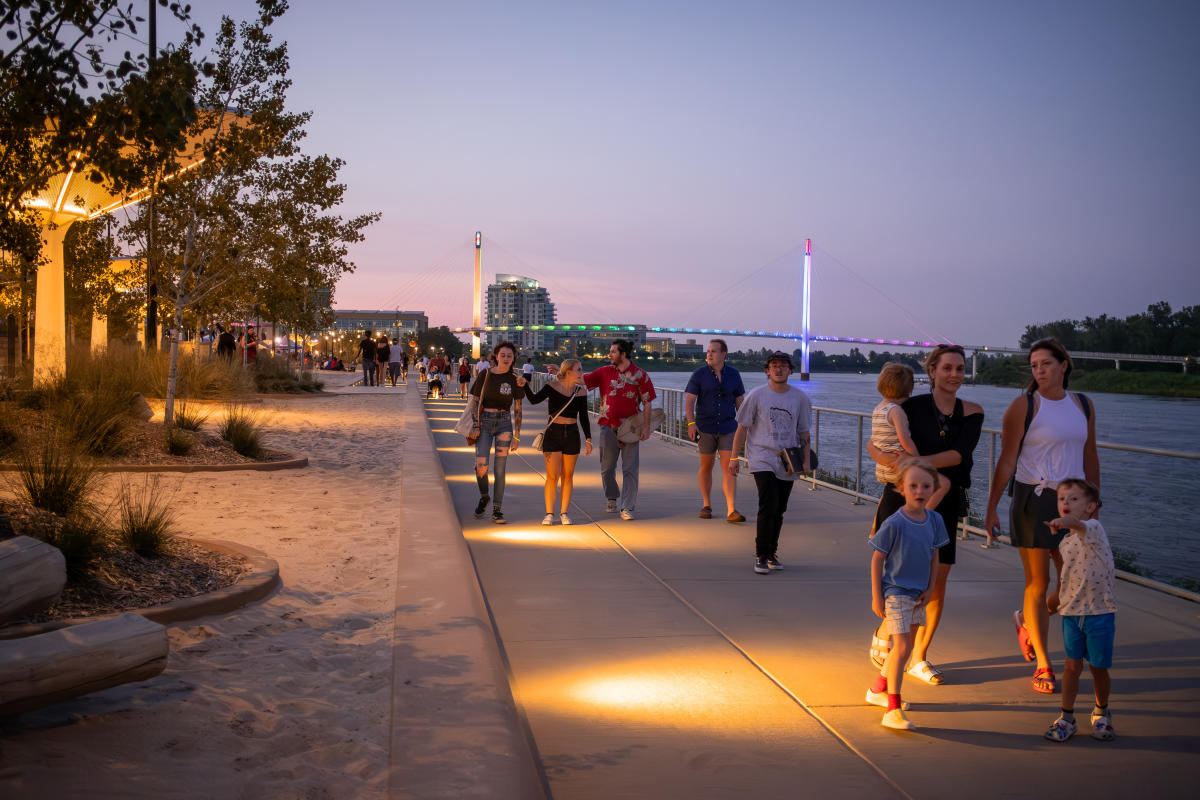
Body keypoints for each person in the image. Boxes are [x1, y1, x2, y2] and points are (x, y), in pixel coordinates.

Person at [985, 338, 1098, 695]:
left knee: (1072, 584)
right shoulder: (1024, 405)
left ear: (1064, 365)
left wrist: (1095, 504)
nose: (1039, 371)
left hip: (1074, 503)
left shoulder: (1082, 403)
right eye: (1034, 366)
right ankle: (1044, 664)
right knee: (1038, 581)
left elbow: (1090, 454)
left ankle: (1027, 623)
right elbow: (1006, 459)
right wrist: (991, 507)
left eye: (1046, 364)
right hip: (1034, 499)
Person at [866, 346, 984, 686]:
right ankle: (887, 627)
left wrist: (913, 464)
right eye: (947, 368)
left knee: (937, 580)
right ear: (931, 371)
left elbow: (958, 456)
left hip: (943, 501)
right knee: (896, 572)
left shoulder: (973, 413)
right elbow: (877, 443)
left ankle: (918, 656)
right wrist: (882, 456)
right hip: (900, 497)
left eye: (960, 369)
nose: (955, 374)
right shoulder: (909, 406)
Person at [866, 460, 950, 731]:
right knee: (901, 648)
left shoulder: (935, 520)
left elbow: (935, 555)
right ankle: (893, 709)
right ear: (901, 488)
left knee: (909, 647)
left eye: (926, 486)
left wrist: (930, 587)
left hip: (918, 593)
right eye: (913, 485)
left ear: (933, 488)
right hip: (896, 592)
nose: (919, 491)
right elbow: (877, 559)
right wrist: (877, 596)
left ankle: (877, 689)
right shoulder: (895, 522)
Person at [1041, 478, 1116, 742]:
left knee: (1098, 667)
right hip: (1072, 614)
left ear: (1090, 506)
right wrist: (1057, 601)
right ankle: (1067, 716)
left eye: (1073, 499)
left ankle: (1101, 712)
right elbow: (1067, 576)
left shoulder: (1093, 528)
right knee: (1071, 667)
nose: (1066, 503)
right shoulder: (1065, 543)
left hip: (1099, 612)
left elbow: (1076, 524)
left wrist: (1064, 522)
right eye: (1062, 499)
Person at [727, 351, 811, 574]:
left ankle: (772, 551)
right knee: (768, 503)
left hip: (788, 460)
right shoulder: (756, 396)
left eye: (783, 365)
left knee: (780, 508)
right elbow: (742, 428)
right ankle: (762, 555)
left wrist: (806, 460)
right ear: (767, 370)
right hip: (762, 457)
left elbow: (803, 433)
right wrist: (734, 458)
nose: (779, 369)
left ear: (790, 370)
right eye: (774, 365)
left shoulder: (800, 398)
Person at [583, 339, 656, 520]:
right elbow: (581, 380)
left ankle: (627, 507)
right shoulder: (604, 372)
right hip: (607, 426)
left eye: (613, 351)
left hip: (631, 428)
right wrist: (560, 373)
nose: (610, 355)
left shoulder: (641, 375)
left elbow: (647, 402)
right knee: (607, 468)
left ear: (623, 354)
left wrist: (646, 427)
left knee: (630, 469)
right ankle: (612, 497)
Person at [521, 358, 593, 525]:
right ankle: (549, 513)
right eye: (579, 370)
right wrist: (524, 384)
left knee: (568, 476)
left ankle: (564, 513)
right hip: (553, 434)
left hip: (572, 435)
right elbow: (533, 399)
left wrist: (588, 438)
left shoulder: (580, 392)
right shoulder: (551, 387)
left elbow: (583, 417)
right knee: (553, 476)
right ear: (568, 372)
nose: (581, 373)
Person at [871, 363, 950, 510]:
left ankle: (876, 524)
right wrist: (918, 459)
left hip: (883, 468)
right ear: (909, 390)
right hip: (899, 467)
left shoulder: (879, 409)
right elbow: (905, 440)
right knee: (943, 484)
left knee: (889, 495)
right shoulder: (896, 411)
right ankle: (923, 515)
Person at [685, 338, 746, 522]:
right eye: (708, 351)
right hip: (705, 427)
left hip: (728, 427)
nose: (709, 354)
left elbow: (740, 403)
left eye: (713, 351)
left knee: (729, 467)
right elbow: (689, 401)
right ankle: (706, 504)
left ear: (723, 354)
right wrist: (691, 423)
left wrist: (745, 427)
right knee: (706, 466)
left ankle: (731, 510)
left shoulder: (734, 375)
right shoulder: (699, 374)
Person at [468, 341, 522, 524]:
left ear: (513, 358)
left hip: (504, 424)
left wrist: (517, 435)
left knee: (500, 468)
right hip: (484, 423)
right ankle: (484, 496)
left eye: (509, 356)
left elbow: (518, 409)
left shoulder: (515, 379)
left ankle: (497, 510)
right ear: (496, 357)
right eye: (503, 355)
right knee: (481, 466)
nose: (506, 358)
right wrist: (475, 425)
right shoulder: (486, 374)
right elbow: (475, 401)